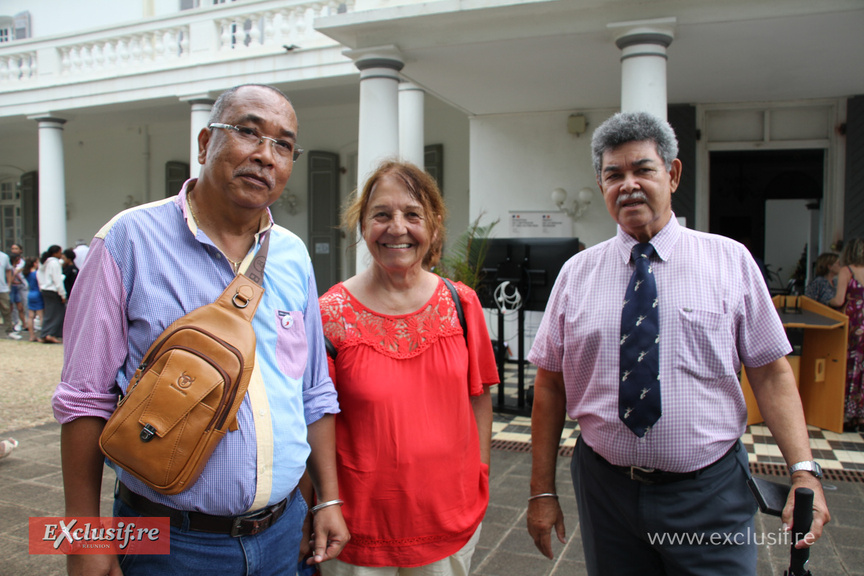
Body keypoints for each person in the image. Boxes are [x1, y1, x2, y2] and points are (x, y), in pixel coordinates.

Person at [52, 83, 348, 576]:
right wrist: (82, 538)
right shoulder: (128, 240)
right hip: (168, 541)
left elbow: (313, 390)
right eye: (248, 132)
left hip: (282, 535)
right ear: (206, 143)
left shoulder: (293, 254)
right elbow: (84, 400)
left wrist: (328, 500)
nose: (265, 155)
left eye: (283, 144)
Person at [526, 111, 829, 575]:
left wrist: (804, 471)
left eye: (642, 169)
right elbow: (550, 385)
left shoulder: (729, 261)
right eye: (614, 174)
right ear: (601, 184)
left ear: (672, 173)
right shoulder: (576, 274)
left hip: (708, 494)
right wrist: (542, 491)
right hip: (606, 494)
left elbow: (770, 372)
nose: (628, 185)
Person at [318, 160, 498, 575]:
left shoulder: (462, 304)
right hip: (358, 527)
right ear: (363, 225)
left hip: (448, 518)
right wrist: (322, 503)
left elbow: (479, 398)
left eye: (412, 214)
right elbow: (316, 418)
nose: (397, 228)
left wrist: (480, 473)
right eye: (381, 214)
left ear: (433, 226)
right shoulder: (329, 314)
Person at [829, 238, 864, 431]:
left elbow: (838, 300)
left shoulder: (847, 271)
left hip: (854, 322)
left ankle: (847, 414)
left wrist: (828, 302)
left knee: (850, 365)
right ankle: (861, 415)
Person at [36, 245, 66, 344]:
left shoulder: (44, 263)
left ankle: (45, 333)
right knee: (57, 313)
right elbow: (57, 279)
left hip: (45, 289)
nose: (61, 255)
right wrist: (62, 294)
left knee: (49, 313)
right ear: (55, 253)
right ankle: (51, 334)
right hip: (53, 290)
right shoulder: (54, 263)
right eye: (60, 252)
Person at [23, 257, 43, 342]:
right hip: (37, 293)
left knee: (30, 316)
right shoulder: (36, 273)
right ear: (34, 264)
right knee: (41, 316)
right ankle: (42, 335)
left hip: (30, 293)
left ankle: (31, 335)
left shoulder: (27, 273)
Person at [0, 249, 19, 339]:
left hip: (2, 288)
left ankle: (9, 330)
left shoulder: (4, 257)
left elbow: (8, 270)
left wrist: (9, 284)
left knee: (6, 309)